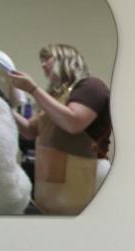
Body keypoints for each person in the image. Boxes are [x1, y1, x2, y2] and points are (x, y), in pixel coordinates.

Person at [10, 43, 112, 215]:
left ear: (66, 59)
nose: (42, 64)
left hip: (85, 175)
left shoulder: (91, 86)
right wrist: (3, 105)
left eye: (47, 59)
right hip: (55, 181)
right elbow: (29, 129)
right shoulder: (56, 97)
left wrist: (33, 90)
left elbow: (73, 123)